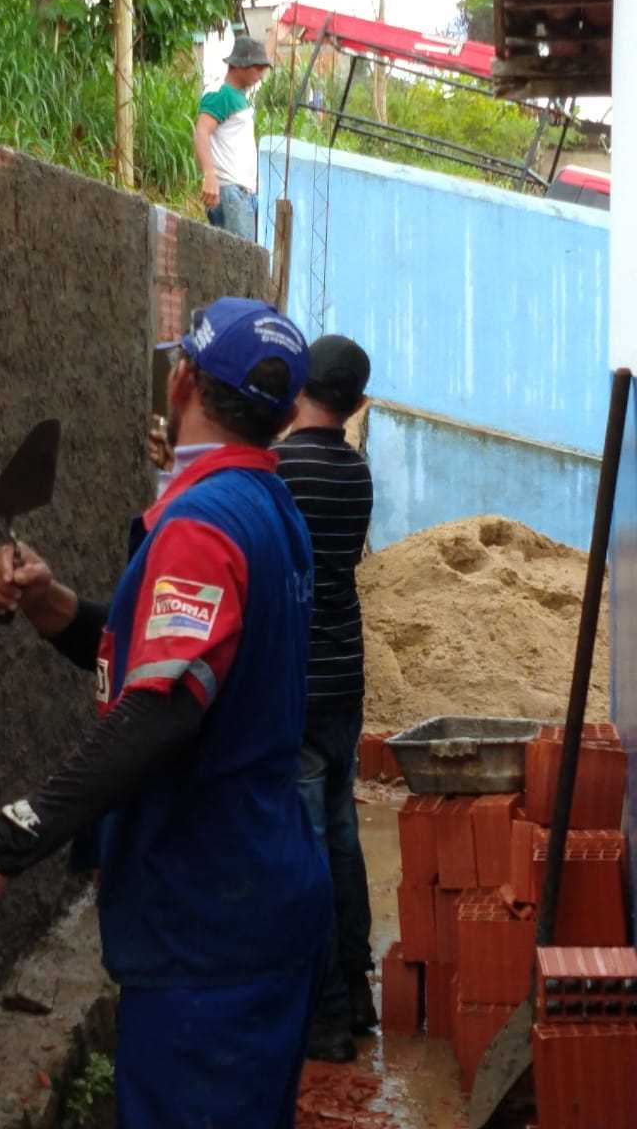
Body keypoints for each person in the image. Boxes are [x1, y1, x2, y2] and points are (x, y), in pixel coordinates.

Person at [0, 297, 334, 1129]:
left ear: (181, 382)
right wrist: (57, 609)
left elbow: (161, 709)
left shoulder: (201, 526)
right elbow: (193, 665)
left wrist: (7, 839)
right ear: (286, 417)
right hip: (256, 897)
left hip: (209, 922)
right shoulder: (266, 505)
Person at [274, 333, 375, 1064]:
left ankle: (327, 1016)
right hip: (346, 679)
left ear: (297, 388)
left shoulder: (279, 470)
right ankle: (359, 992)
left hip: (299, 685)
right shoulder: (357, 472)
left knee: (305, 848)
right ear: (359, 403)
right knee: (341, 836)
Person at [193, 35, 272, 241]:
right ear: (240, 65)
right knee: (242, 258)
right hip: (230, 192)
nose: (260, 76)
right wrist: (209, 176)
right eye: (257, 69)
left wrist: (275, 36)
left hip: (240, 194)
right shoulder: (221, 93)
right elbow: (202, 131)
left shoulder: (238, 96)